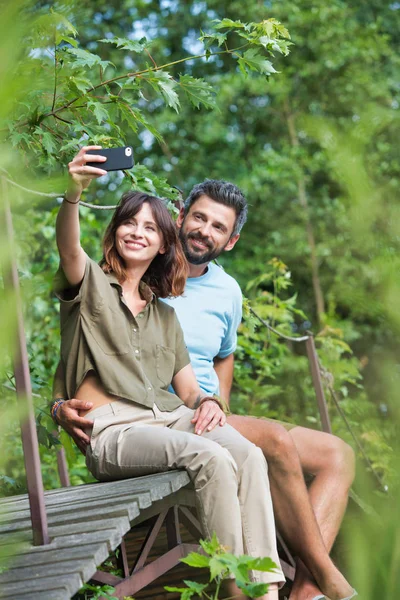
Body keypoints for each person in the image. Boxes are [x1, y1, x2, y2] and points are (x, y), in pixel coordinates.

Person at [53, 169, 356, 600]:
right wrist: (74, 192)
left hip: (168, 416)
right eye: (129, 224)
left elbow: (196, 380)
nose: (138, 234)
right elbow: (69, 249)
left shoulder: (165, 313)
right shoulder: (93, 285)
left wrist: (213, 402)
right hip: (117, 427)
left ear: (163, 242)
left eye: (148, 228)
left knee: (249, 455)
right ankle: (237, 586)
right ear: (178, 222)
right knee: (214, 455)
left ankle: (266, 589)